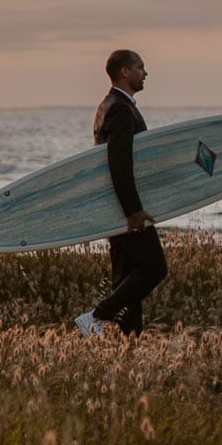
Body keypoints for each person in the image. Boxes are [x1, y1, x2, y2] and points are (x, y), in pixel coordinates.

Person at [76, 49, 166, 338]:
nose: (145, 73)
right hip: (124, 208)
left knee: (127, 278)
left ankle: (130, 345)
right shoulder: (119, 108)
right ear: (125, 71)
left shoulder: (107, 105)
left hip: (113, 207)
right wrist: (133, 211)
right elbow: (119, 164)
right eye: (141, 67)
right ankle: (97, 316)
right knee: (154, 267)